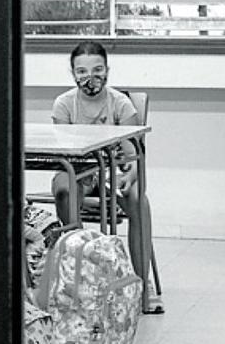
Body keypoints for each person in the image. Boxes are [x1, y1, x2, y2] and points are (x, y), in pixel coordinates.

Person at [50, 40, 154, 286]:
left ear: (107, 70)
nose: (90, 77)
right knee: (65, 192)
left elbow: (134, 153)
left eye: (98, 70)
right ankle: (81, 276)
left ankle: (141, 283)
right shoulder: (64, 104)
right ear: (73, 73)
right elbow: (63, 154)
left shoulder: (121, 104)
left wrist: (130, 176)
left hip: (113, 170)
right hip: (79, 168)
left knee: (139, 201)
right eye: (82, 71)